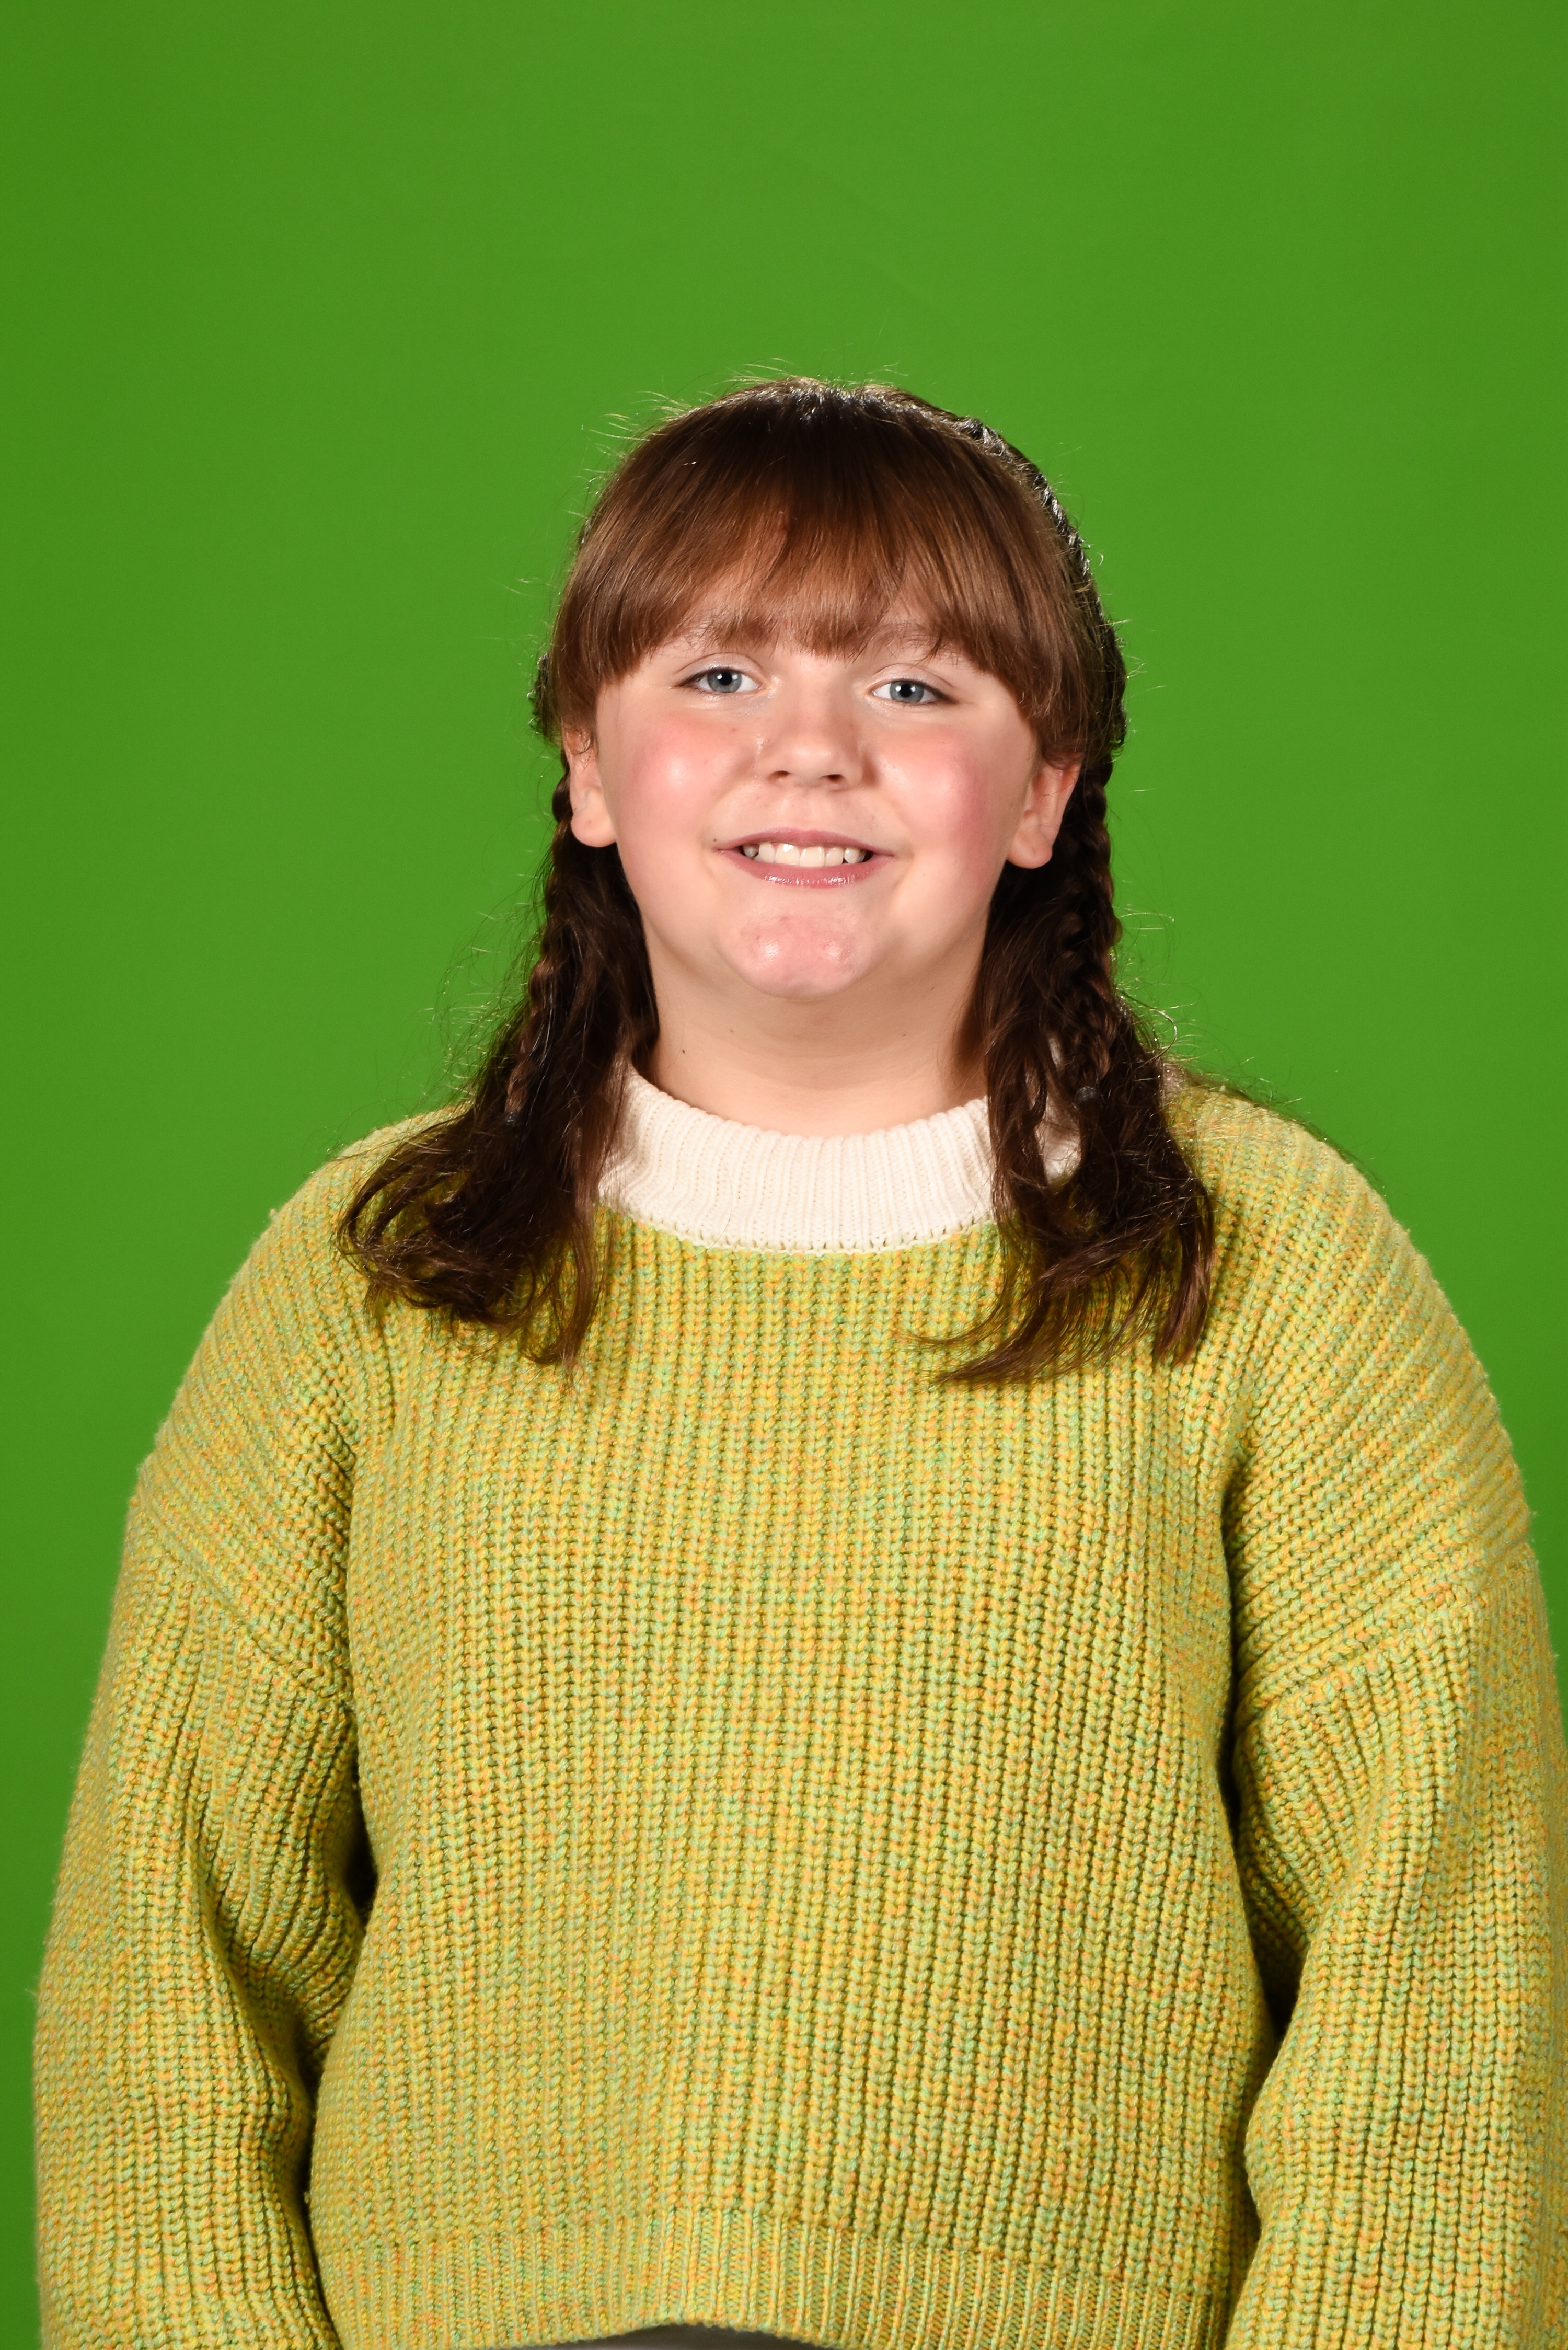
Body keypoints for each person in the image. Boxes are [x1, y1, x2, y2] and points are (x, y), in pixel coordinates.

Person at [33, 378, 1566, 2350]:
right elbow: (168, 1973)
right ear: (588, 768)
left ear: (1045, 790)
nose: (813, 750)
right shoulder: (379, 1277)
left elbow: (1439, 1969)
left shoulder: (1267, 1270)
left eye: (915, 687)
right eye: (720, 673)